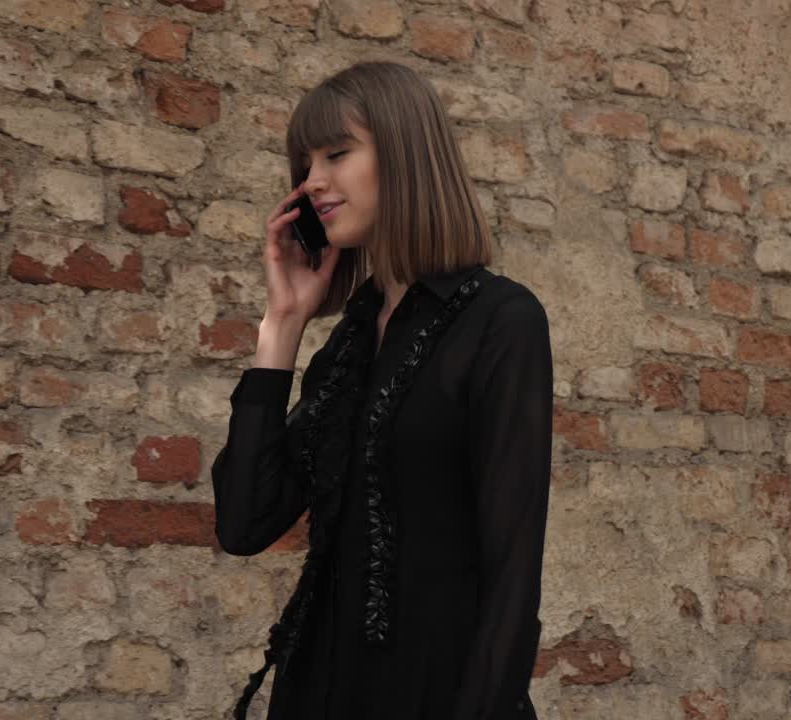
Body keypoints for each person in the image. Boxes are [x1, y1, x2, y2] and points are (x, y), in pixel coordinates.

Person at [210, 61, 554, 720]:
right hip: (317, 695)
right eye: (305, 161)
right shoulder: (348, 344)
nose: (313, 180)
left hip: (437, 696)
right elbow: (244, 523)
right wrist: (281, 327)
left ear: (405, 156)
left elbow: (513, 577)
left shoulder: (501, 322)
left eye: (338, 153)